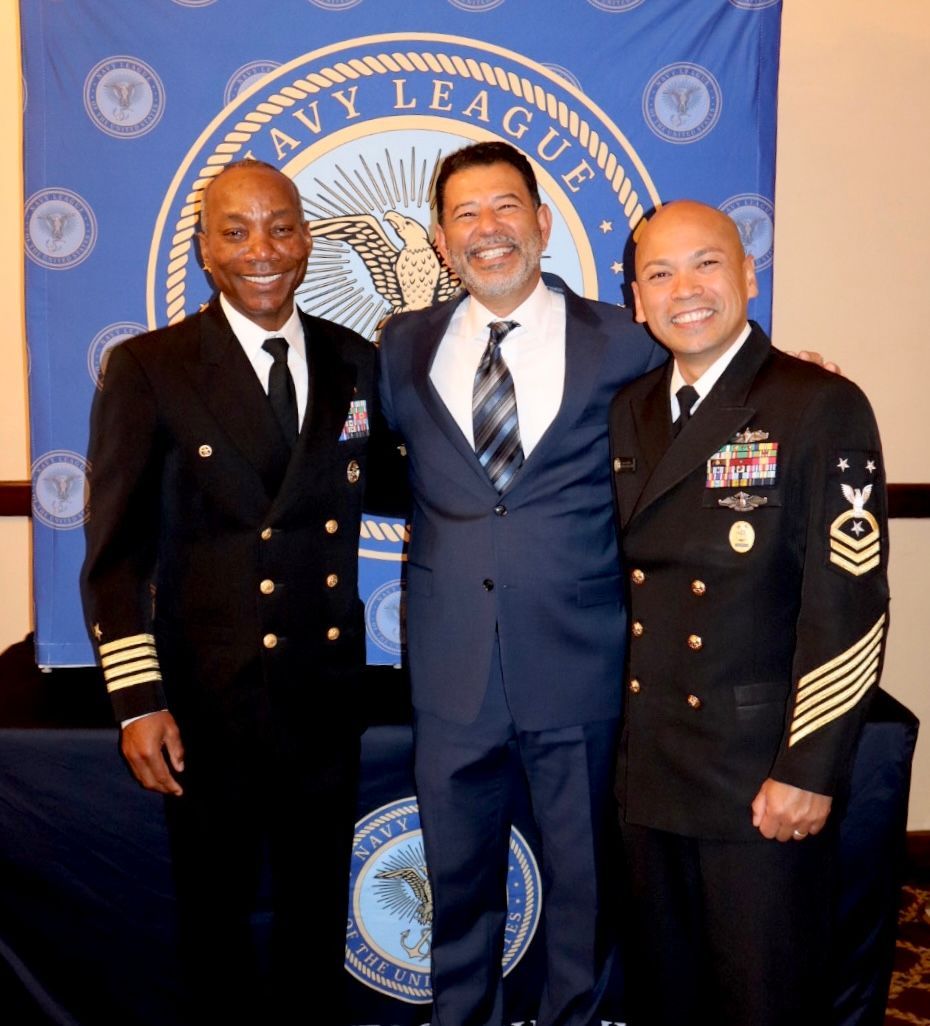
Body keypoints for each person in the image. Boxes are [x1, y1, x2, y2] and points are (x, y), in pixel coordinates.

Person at [80, 159, 397, 1025]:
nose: (263, 250)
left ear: (306, 239)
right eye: (237, 231)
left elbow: (430, 479)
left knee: (313, 927)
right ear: (205, 250)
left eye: (282, 227)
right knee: (214, 928)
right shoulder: (151, 368)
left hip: (325, 701)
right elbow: (115, 553)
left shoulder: (354, 358)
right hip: (208, 705)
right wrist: (138, 701)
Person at [378, 141, 666, 1026]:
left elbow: (715, 386)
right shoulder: (401, 346)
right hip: (452, 664)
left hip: (578, 660)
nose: (488, 230)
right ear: (437, 240)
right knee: (456, 886)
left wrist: (795, 373)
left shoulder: (627, 343)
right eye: (465, 214)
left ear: (543, 223)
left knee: (585, 889)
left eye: (506, 207)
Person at [608, 200, 889, 1025]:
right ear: (636, 300)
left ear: (748, 276)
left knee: (763, 1001)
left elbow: (850, 605)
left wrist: (808, 769)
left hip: (757, 777)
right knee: (669, 997)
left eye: (706, 264)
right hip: (653, 769)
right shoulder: (633, 409)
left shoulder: (818, 402)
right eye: (659, 273)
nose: (684, 288)